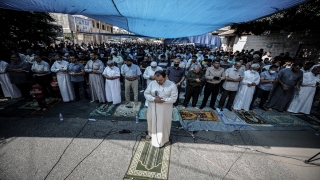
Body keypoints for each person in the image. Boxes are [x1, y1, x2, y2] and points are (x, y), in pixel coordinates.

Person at [144, 70, 178, 147]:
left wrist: (162, 100)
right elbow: (146, 93)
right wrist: (153, 99)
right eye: (157, 80)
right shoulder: (152, 83)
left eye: (160, 80)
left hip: (164, 109)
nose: (158, 82)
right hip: (152, 107)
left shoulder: (172, 85)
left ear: (165, 77)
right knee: (151, 120)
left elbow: (173, 99)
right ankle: (151, 134)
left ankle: (164, 139)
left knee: (163, 123)